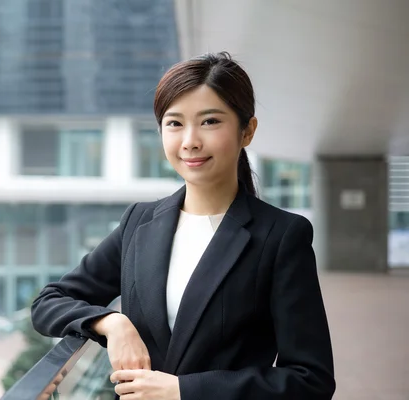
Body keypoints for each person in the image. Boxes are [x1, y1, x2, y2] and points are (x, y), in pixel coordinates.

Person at [31, 52, 335, 400]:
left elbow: (311, 380)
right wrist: (111, 323)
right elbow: (49, 301)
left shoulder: (281, 236)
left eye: (209, 122)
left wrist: (184, 391)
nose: (190, 140)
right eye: (175, 123)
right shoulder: (139, 223)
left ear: (247, 131)